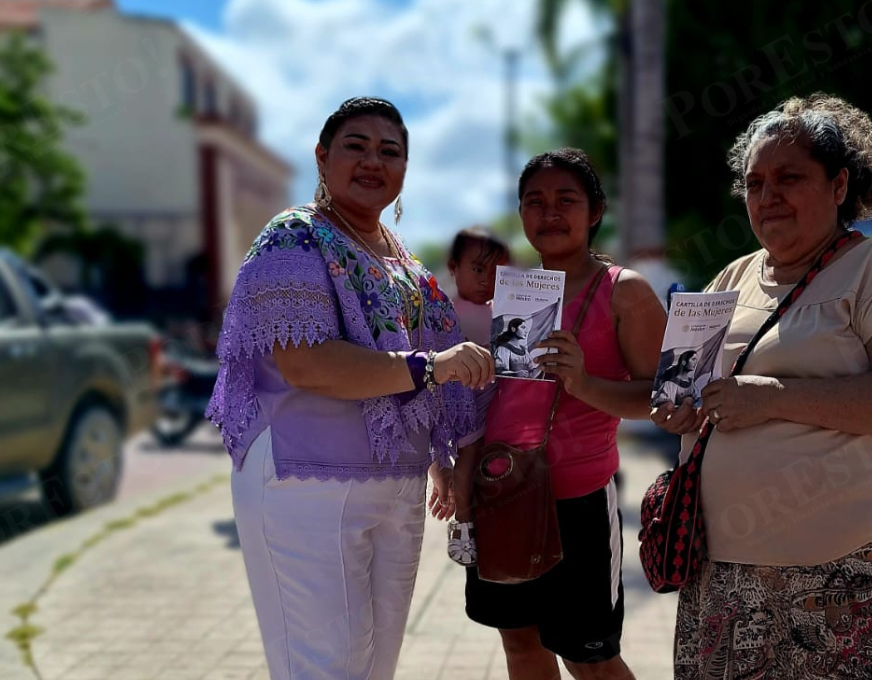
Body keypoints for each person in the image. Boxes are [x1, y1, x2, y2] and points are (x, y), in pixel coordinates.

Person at [651, 94, 872, 679]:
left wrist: (774, 398)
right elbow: (695, 390)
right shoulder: (734, 275)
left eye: (789, 177)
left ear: (838, 184)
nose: (767, 195)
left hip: (843, 579)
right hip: (727, 577)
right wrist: (684, 411)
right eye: (754, 183)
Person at [205, 97, 494, 680]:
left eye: (390, 152)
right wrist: (432, 366)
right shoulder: (294, 238)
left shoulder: (405, 265)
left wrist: (447, 458)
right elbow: (306, 363)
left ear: (405, 171)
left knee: (374, 666)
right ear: (321, 157)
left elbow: (448, 382)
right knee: (323, 667)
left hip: (398, 488)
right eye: (355, 146)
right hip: (304, 480)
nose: (373, 161)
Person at [456, 148, 667, 680]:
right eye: (535, 202)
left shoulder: (625, 291)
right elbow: (492, 400)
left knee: (589, 659)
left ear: (595, 211)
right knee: (522, 649)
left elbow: (666, 399)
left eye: (565, 200)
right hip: (504, 493)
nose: (549, 213)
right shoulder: (514, 291)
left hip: (578, 501)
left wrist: (585, 382)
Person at [448, 226, 511, 345]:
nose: (486, 281)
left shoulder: (503, 313)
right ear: (453, 267)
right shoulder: (442, 312)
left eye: (495, 273)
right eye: (478, 270)